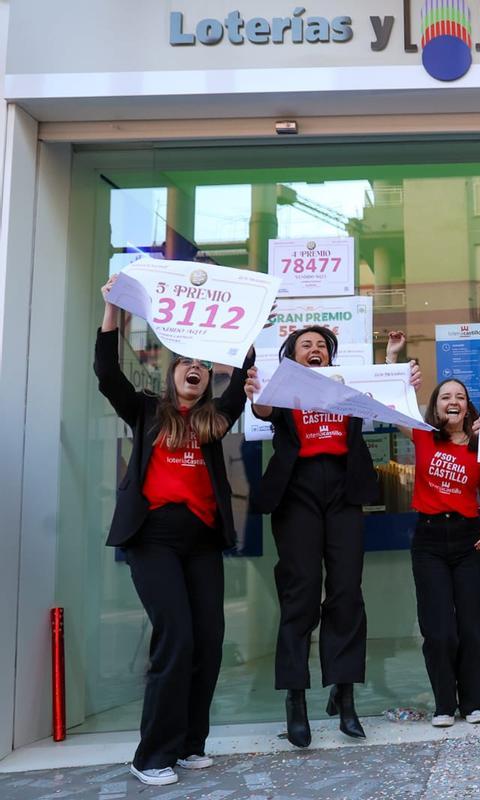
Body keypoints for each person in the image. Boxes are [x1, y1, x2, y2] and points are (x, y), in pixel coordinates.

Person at [95, 276, 253, 786]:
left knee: (208, 639)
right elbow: (106, 371)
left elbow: (240, 379)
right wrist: (112, 311)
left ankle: (189, 743)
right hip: (154, 539)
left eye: (203, 367)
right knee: (177, 637)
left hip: (201, 540)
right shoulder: (145, 412)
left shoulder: (212, 422)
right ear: (171, 374)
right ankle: (151, 756)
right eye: (186, 364)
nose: (196, 371)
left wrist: (249, 330)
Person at [247, 326, 420, 747]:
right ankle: (296, 698)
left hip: (344, 491)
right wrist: (253, 386)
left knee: (346, 593)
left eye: (322, 346)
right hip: (297, 492)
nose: (316, 349)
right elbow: (263, 411)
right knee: (300, 593)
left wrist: (395, 365)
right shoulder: (282, 387)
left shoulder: (348, 386)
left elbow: (386, 398)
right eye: (306, 345)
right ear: (292, 356)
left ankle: (344, 696)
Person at [406, 378, 480, 727]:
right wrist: (393, 363)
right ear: (436, 405)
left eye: (460, 396)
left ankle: (473, 701)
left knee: (475, 627)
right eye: (445, 396)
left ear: (467, 406)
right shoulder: (422, 435)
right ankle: (444, 703)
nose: (453, 401)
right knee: (439, 629)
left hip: (468, 538)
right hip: (428, 540)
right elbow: (394, 406)